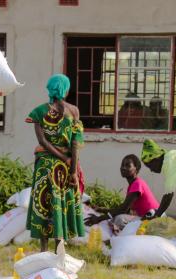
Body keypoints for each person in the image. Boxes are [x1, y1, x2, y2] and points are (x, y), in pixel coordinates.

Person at [26, 74, 85, 253]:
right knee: (61, 204)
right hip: (66, 167)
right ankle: (59, 249)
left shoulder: (39, 112)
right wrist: (72, 168)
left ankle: (43, 251)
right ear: (65, 90)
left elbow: (43, 142)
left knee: (44, 205)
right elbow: (76, 143)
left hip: (44, 165)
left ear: (50, 89)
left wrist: (61, 158)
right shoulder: (74, 111)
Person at [84, 154, 160, 232]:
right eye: (122, 165)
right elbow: (126, 210)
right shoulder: (133, 185)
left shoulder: (137, 184)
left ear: (136, 169)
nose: (123, 168)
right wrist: (102, 210)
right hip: (149, 219)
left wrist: (99, 219)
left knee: (119, 219)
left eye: (128, 165)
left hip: (154, 220)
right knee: (116, 218)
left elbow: (123, 209)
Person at [141, 139, 176, 218]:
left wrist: (156, 216)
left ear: (156, 159)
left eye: (150, 166)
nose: (151, 170)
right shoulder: (171, 157)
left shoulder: (170, 162)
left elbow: (168, 195)